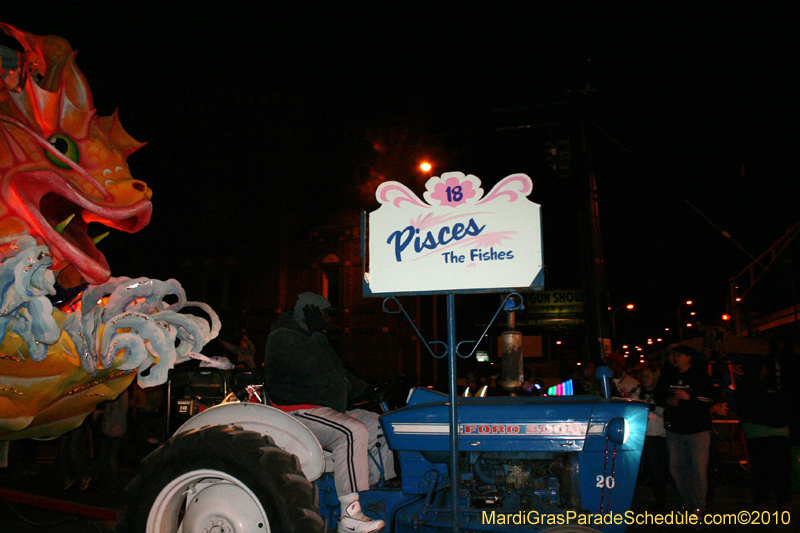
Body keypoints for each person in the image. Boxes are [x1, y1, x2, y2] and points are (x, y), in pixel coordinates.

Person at [265, 292, 395, 533]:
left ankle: (376, 490)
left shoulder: (314, 339)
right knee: (350, 431)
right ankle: (349, 517)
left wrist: (367, 389)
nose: (328, 320)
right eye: (324, 314)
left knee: (379, 423)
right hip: (295, 411)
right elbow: (307, 366)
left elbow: (339, 375)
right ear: (310, 314)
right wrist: (317, 335)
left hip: (326, 410)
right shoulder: (282, 338)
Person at [655, 345, 716, 515]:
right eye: (673, 355)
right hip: (675, 430)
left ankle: (699, 505)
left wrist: (691, 397)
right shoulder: (668, 376)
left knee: (698, 469)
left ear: (689, 357)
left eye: (679, 355)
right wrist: (667, 400)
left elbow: (711, 397)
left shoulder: (701, 376)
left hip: (698, 430)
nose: (675, 358)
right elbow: (657, 395)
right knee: (677, 467)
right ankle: (687, 503)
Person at [735, 338, 793, 511]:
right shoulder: (751, 387)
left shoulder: (755, 386)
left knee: (771, 468)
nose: (766, 370)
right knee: (770, 468)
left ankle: (769, 500)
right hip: (767, 431)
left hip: (764, 430)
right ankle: (775, 500)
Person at [635, 365, 669, 509]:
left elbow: (668, 412)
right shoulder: (637, 393)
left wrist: (654, 409)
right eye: (643, 376)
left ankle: (666, 492)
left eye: (648, 376)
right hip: (648, 435)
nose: (644, 379)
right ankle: (659, 498)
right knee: (654, 468)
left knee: (668, 467)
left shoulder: (663, 393)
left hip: (665, 435)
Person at [96, 388, 129, 490]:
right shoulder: (112, 392)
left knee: (112, 458)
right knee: (104, 457)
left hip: (116, 431)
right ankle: (103, 480)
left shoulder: (122, 393)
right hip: (108, 429)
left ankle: (113, 482)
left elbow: (122, 410)